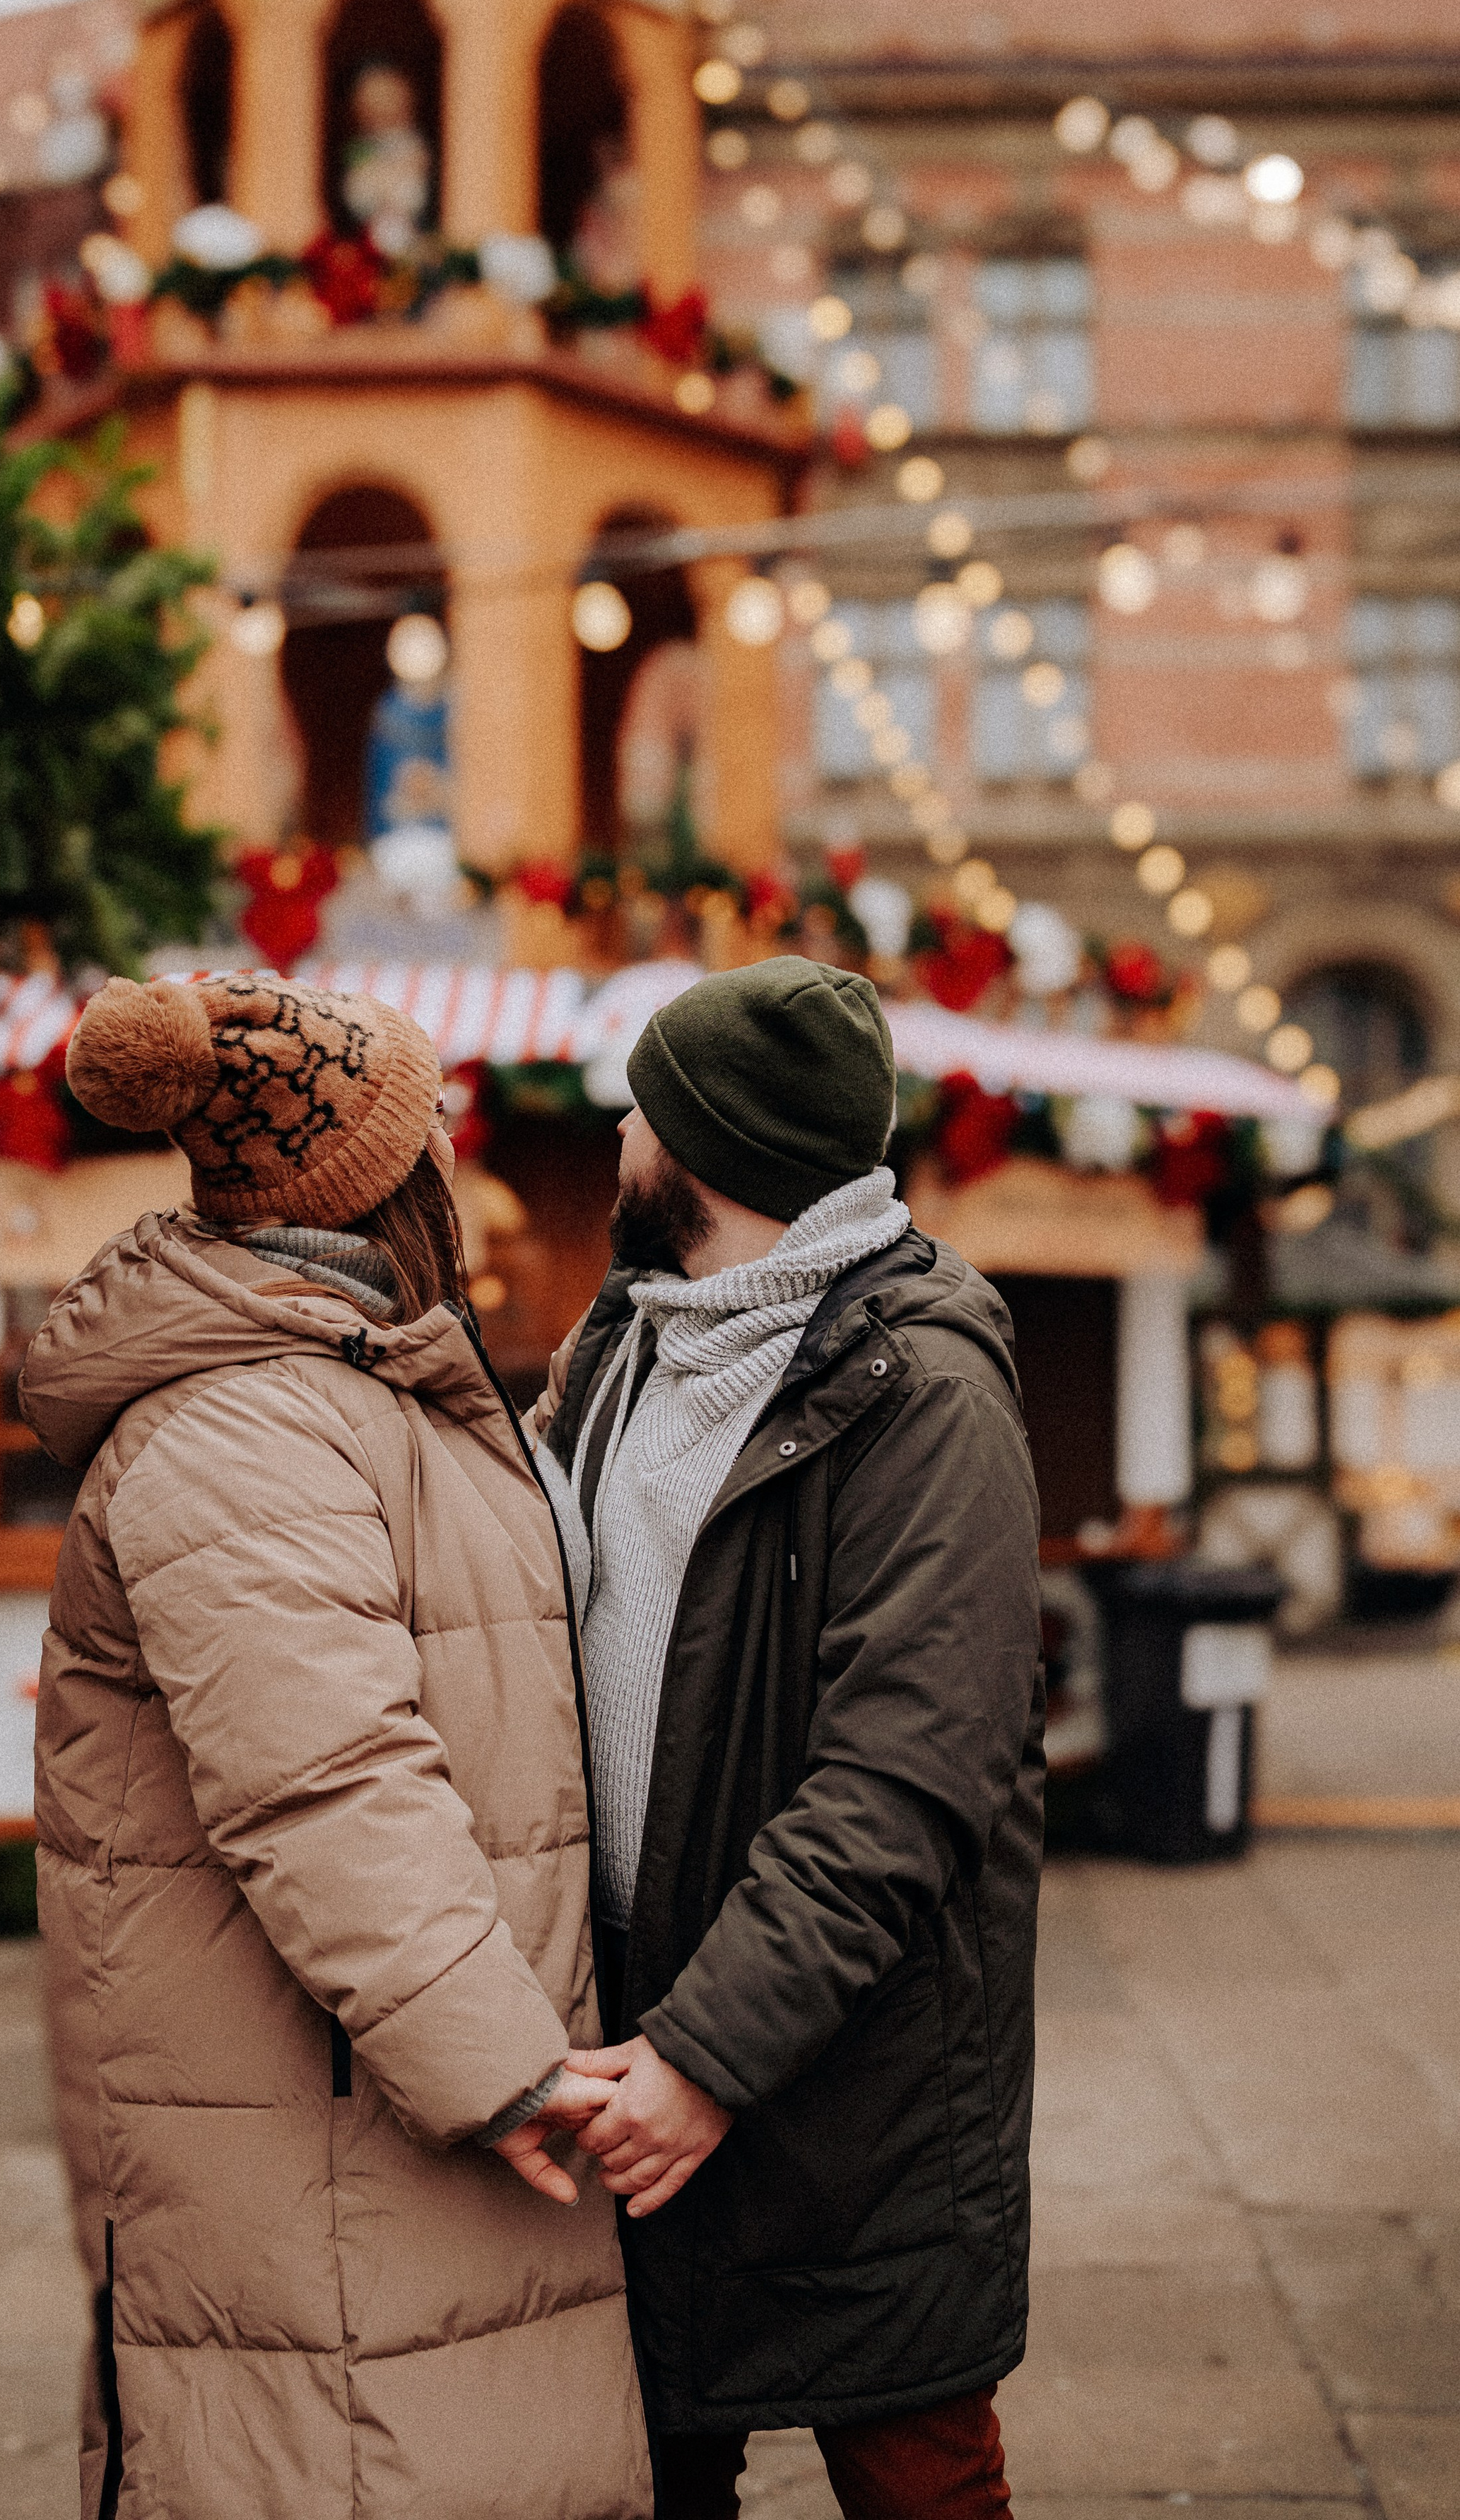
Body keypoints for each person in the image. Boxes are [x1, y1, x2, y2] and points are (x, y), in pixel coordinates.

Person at [24, 972, 652, 2520]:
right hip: (323, 2103)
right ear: (383, 1177)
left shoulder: (356, 1383)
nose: (455, 1158)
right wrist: (500, 2065)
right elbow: (324, 1786)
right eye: (430, 1129)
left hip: (368, 2085)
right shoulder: (245, 1431)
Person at [531, 958, 1043, 2520]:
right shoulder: (625, 1342)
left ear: (709, 1151)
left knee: (914, 2482)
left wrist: (706, 2053)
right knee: (646, 2481)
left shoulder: (923, 1397)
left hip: (853, 2092)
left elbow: (901, 1783)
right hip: (624, 2041)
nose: (616, 1129)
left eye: (644, 1106)